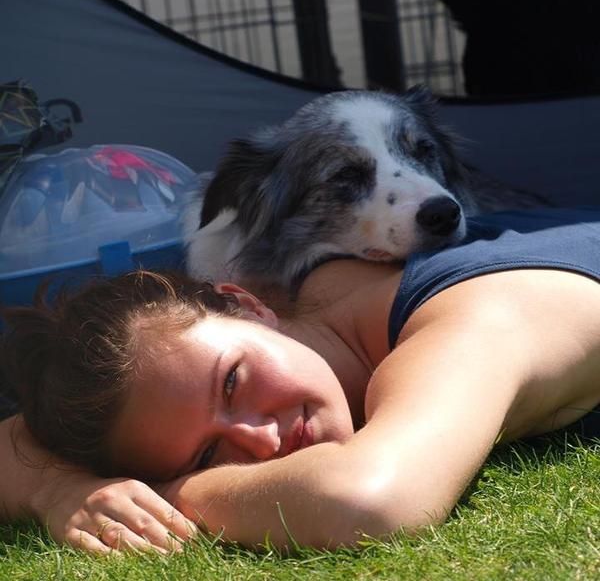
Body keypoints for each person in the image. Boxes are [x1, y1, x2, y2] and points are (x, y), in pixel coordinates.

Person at [2, 206, 600, 552]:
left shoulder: (477, 321)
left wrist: (169, 491)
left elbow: (364, 502)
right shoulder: (321, 287)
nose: (262, 442)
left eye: (232, 383)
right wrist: (60, 491)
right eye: (208, 454)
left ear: (246, 303)